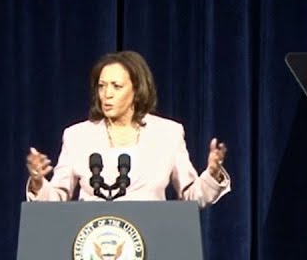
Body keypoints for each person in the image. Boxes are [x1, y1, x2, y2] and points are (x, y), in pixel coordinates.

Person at [25, 50, 230, 207]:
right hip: (93, 249)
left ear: (137, 90)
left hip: (151, 246)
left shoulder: (168, 134)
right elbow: (56, 200)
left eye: (116, 86)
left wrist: (212, 174)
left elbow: (191, 197)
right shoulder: (77, 136)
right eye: (102, 86)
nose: (107, 94)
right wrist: (38, 183)